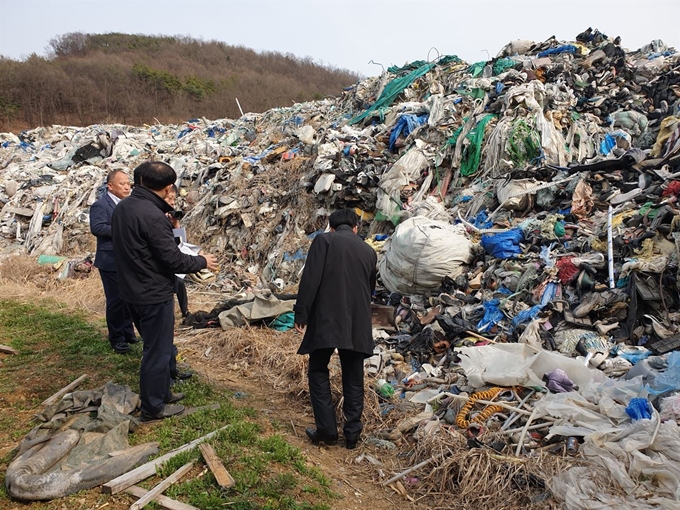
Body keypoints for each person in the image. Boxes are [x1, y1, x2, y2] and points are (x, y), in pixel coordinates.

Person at [111, 161, 218, 421]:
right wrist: (203, 261)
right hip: (152, 292)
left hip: (131, 289)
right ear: (168, 186)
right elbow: (174, 260)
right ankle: (153, 407)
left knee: (156, 345)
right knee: (156, 351)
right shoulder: (150, 215)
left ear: (139, 181)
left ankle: (162, 392)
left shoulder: (123, 207)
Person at [294, 209, 377, 449]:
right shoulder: (369, 251)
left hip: (326, 318)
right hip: (357, 322)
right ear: (355, 228)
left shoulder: (324, 240)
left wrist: (302, 313)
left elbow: (310, 279)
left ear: (330, 226)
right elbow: (369, 289)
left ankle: (327, 431)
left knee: (318, 369)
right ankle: (352, 434)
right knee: (354, 376)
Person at [89, 169, 139, 354]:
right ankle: (117, 338)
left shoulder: (128, 204)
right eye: (122, 184)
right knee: (116, 300)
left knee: (128, 298)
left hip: (127, 260)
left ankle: (128, 332)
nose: (127, 187)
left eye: (128, 183)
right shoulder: (101, 205)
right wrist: (124, 230)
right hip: (110, 260)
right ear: (110, 186)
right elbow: (98, 227)